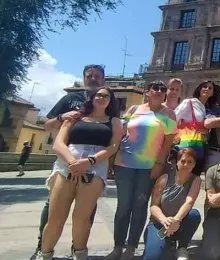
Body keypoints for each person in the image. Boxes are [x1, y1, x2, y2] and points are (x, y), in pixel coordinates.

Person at [39, 87, 123, 260]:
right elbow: (58, 143)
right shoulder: (75, 117)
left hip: (95, 168)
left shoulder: (114, 121)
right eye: (99, 95)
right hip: (66, 166)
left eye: (106, 96)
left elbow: (113, 147)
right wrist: (73, 162)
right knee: (55, 217)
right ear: (92, 98)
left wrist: (88, 161)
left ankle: (79, 254)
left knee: (81, 218)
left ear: (110, 101)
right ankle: (45, 254)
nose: (102, 98)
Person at [36, 64, 105, 254]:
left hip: (93, 165)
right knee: (53, 207)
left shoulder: (106, 103)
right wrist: (61, 117)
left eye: (97, 76)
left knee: (87, 210)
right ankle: (43, 244)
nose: (93, 79)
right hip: (65, 161)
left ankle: (79, 247)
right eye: (89, 76)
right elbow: (47, 126)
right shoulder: (70, 99)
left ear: (103, 80)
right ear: (84, 79)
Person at [107, 81, 178, 260]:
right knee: (123, 206)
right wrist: (110, 159)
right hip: (124, 163)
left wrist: (159, 164)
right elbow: (121, 134)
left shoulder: (168, 114)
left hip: (149, 167)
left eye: (163, 89)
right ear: (147, 91)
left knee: (139, 206)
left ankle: (131, 248)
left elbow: (167, 143)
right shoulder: (133, 110)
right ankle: (117, 247)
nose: (160, 91)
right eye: (156, 88)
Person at [143, 148, 202, 260]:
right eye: (183, 161)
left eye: (190, 162)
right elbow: (154, 206)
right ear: (177, 162)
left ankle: (182, 248)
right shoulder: (164, 178)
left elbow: (189, 202)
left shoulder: (196, 180)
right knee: (153, 257)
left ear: (194, 164)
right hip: (159, 223)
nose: (186, 164)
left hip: (179, 222)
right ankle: (166, 243)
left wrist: (176, 220)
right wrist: (164, 220)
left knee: (194, 215)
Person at [175, 80, 219, 175]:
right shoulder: (189, 102)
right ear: (199, 88)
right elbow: (174, 118)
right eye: (204, 86)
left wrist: (206, 132)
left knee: (194, 177)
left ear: (212, 93)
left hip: (200, 147)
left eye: (210, 88)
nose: (207, 89)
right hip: (187, 146)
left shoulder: (205, 108)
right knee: (182, 176)